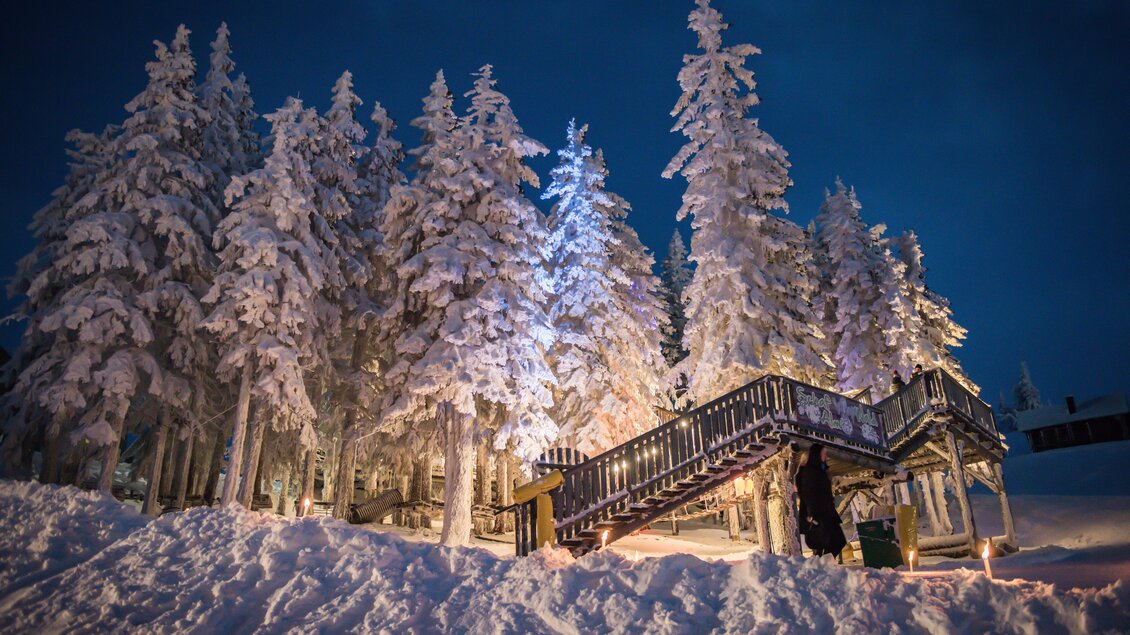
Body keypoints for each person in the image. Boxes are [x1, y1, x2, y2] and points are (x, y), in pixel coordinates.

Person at [795, 443, 847, 559]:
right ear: (816, 455)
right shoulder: (810, 472)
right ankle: (823, 564)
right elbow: (809, 494)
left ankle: (822, 564)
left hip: (825, 512)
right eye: (823, 453)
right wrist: (812, 514)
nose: (825, 456)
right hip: (820, 514)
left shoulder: (820, 470)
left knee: (832, 541)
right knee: (836, 541)